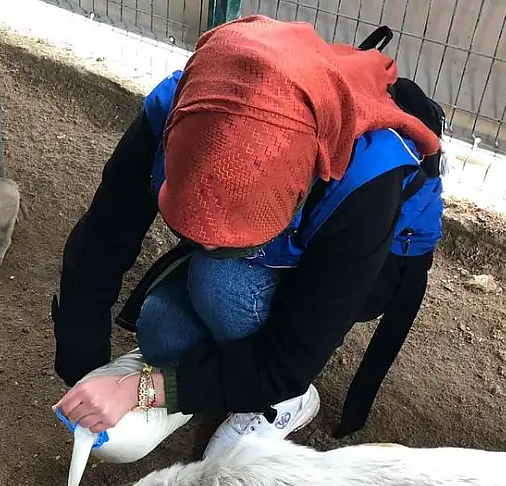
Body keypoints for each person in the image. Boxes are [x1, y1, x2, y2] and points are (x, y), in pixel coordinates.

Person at [50, 16, 443, 459]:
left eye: (227, 236)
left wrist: (142, 390)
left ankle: (289, 404)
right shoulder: (186, 107)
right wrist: (84, 362)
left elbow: (290, 360)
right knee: (162, 329)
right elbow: (103, 239)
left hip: (376, 268)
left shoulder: (366, 180)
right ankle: (229, 359)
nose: (208, 247)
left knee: (217, 281)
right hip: (284, 239)